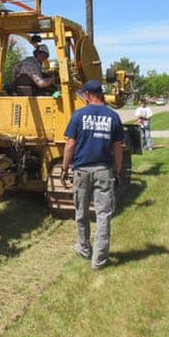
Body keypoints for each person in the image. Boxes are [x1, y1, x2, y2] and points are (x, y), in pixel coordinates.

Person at [61, 79, 125, 270]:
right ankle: (99, 261)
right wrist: (118, 169)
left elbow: (70, 144)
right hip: (103, 171)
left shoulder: (79, 115)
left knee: (81, 212)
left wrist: (65, 167)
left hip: (81, 171)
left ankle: (84, 249)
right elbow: (118, 147)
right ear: (101, 94)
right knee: (103, 214)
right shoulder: (113, 116)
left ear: (88, 95)